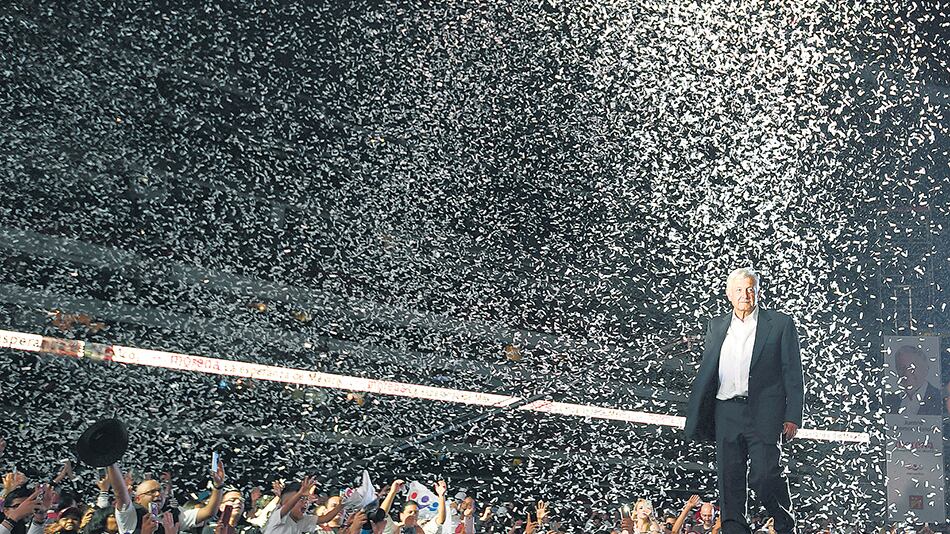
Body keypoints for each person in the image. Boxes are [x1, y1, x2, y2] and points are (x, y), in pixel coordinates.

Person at [684, 267, 804, 534]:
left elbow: (793, 372)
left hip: (764, 412)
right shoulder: (716, 325)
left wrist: (793, 415)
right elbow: (708, 369)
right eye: (739, 289)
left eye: (750, 288)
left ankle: (784, 522)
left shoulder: (781, 324)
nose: (745, 294)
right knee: (729, 479)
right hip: (725, 409)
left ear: (758, 291)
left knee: (764, 475)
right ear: (729, 294)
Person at [885, 345, 942, 416]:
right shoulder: (889, 400)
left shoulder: (941, 399)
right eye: (901, 367)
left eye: (912, 367)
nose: (906, 373)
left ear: (925, 369)